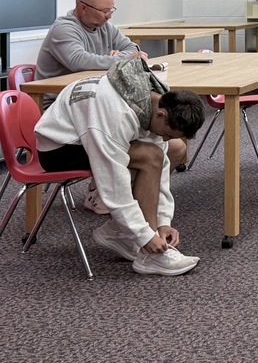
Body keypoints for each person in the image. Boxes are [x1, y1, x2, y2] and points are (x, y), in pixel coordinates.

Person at [35, 58, 206, 276]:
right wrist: (145, 235)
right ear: (161, 115)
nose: (164, 137)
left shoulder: (156, 98)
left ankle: (120, 232)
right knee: (149, 156)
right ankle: (150, 255)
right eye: (166, 132)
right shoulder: (114, 116)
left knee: (166, 151)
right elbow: (113, 183)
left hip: (82, 133)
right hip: (58, 147)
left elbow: (162, 167)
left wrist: (164, 221)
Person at [35, 0, 173, 215]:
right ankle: (110, 189)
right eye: (104, 10)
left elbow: (134, 49)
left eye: (111, 10)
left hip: (96, 106)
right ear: (83, 7)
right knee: (149, 147)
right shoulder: (64, 29)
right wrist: (118, 59)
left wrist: (118, 56)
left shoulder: (104, 26)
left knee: (172, 143)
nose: (109, 16)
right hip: (63, 115)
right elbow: (79, 61)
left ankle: (113, 188)